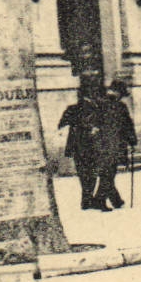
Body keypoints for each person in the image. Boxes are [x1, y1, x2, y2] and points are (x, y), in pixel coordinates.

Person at [91, 79, 138, 212]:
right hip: (114, 144)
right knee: (109, 173)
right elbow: (128, 125)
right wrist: (133, 141)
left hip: (100, 144)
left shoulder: (98, 104)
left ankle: (116, 200)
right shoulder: (120, 106)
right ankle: (99, 200)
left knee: (107, 172)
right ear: (119, 93)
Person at [58, 80, 103, 209]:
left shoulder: (72, 108)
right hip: (91, 144)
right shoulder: (95, 108)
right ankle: (87, 199)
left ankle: (86, 199)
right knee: (92, 172)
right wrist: (91, 129)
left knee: (83, 173)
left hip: (76, 146)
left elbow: (61, 123)